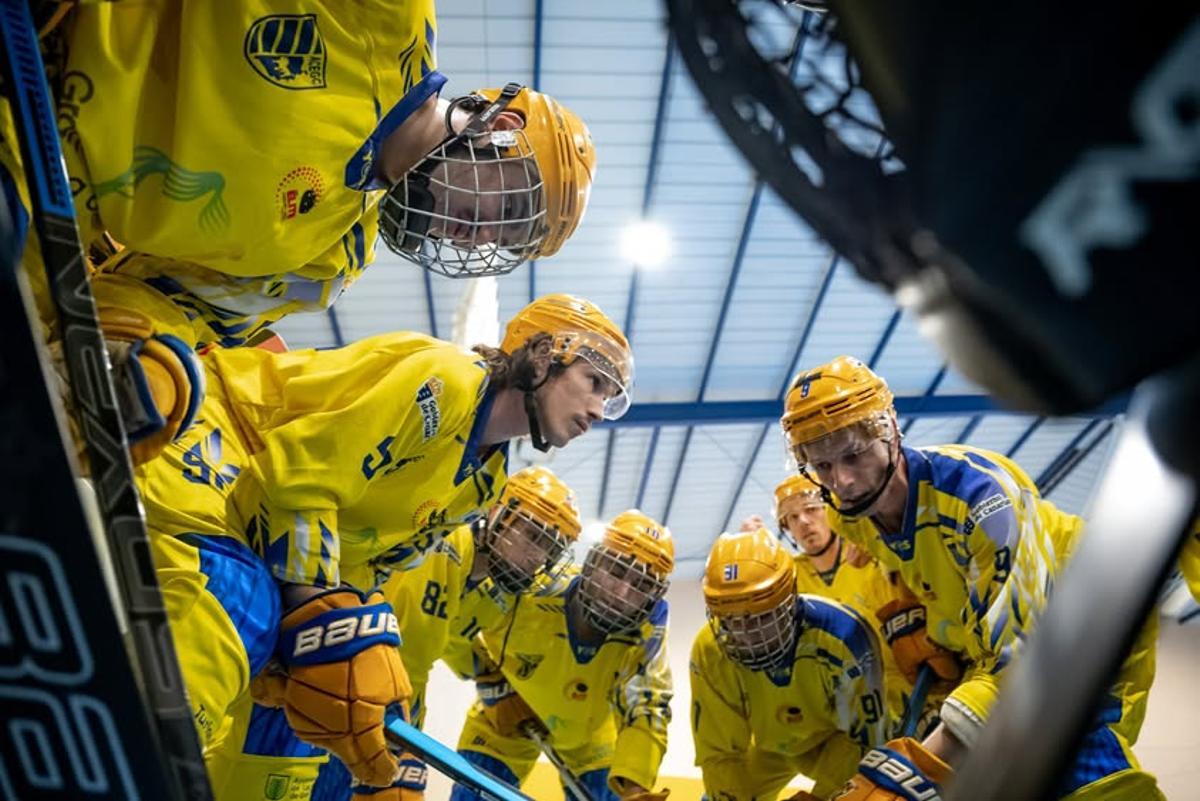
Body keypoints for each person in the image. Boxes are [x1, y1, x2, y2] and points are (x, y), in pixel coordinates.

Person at [1, 0, 596, 464]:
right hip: (31, 40)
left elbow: (170, 300)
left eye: (500, 241)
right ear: (500, 125)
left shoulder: (332, 260)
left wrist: (149, 365)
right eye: (509, 205)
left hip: (33, 225)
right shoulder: (384, 17)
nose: (480, 235)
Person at [132, 293, 630, 792]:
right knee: (240, 609)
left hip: (260, 517)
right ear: (543, 355)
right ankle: (129, 756)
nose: (598, 409)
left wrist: (348, 650)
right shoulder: (445, 381)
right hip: (212, 442)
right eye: (593, 382)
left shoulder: (485, 484)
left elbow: (370, 564)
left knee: (309, 721)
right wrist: (313, 615)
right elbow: (299, 477)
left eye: (609, 397)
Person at [779, 355, 1162, 800]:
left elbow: (1020, 664)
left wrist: (905, 774)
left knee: (1070, 753)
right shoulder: (850, 517)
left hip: (1084, 619)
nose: (842, 481)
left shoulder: (982, 500)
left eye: (853, 455)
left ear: (889, 430)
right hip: (988, 650)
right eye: (822, 466)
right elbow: (898, 562)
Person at [204, 465, 582, 801]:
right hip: (331, 689)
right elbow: (398, 653)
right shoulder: (441, 543)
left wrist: (488, 677)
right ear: (498, 513)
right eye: (532, 535)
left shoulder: (492, 597)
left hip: (372, 704)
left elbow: (445, 648)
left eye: (550, 548)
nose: (536, 556)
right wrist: (406, 748)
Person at [450, 510, 675, 801]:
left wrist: (635, 785)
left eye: (640, 586)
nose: (621, 593)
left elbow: (649, 703)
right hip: (504, 721)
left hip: (589, 737)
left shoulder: (649, 627)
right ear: (593, 563)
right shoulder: (534, 586)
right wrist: (490, 681)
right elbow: (453, 625)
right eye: (617, 572)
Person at [691, 526, 891, 801]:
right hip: (769, 748)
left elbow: (865, 740)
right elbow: (719, 754)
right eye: (730, 620)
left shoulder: (846, 635)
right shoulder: (709, 650)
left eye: (760, 618)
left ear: (789, 599)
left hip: (835, 741)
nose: (746, 636)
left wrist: (822, 797)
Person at [769, 474, 938, 736]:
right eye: (792, 518)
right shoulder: (787, 578)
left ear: (830, 511)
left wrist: (878, 542)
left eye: (811, 509)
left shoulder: (870, 552)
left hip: (914, 696)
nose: (803, 522)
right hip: (848, 716)